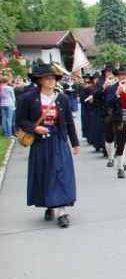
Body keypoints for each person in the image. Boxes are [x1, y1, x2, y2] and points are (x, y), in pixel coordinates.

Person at [16, 63, 80, 228]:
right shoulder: (28, 98)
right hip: (40, 142)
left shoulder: (62, 98)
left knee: (61, 174)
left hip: (58, 140)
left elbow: (69, 122)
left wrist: (75, 143)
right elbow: (20, 121)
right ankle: (49, 204)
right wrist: (34, 128)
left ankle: (62, 212)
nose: (51, 81)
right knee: (45, 174)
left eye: (53, 78)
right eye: (47, 78)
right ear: (40, 81)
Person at [0, 69, 16, 137]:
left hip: (2, 104)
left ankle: (5, 133)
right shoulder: (9, 88)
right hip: (9, 104)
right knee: (9, 119)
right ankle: (9, 134)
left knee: (4, 119)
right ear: (7, 81)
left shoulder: (1, 88)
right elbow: (13, 97)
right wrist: (14, 105)